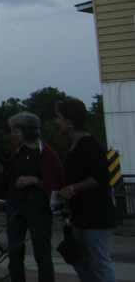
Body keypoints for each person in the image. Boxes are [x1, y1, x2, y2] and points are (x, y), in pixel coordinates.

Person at [0, 111, 63, 282]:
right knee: (14, 252)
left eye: (15, 131)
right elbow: (3, 179)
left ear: (27, 131)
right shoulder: (17, 154)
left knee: (42, 252)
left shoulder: (47, 154)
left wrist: (34, 180)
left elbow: (57, 183)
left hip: (38, 209)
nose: (12, 134)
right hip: (16, 207)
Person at [55, 98, 117, 282]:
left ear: (70, 122)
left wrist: (74, 188)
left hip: (95, 216)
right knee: (80, 260)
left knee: (99, 262)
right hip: (80, 215)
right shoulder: (74, 145)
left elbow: (101, 177)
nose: (56, 122)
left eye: (59, 117)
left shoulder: (89, 145)